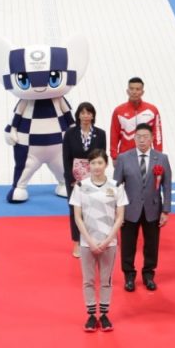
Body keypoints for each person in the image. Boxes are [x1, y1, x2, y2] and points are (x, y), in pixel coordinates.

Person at [70, 149, 127, 332]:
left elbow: (120, 217)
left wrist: (107, 239)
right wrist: (89, 241)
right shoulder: (80, 186)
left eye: (99, 163)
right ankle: (91, 316)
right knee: (88, 280)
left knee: (105, 280)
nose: (96, 167)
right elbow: (78, 217)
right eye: (93, 163)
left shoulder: (116, 185)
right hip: (87, 243)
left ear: (106, 164)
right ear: (89, 165)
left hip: (109, 243)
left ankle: (103, 314)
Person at [114, 123, 172, 292]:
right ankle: (129, 276)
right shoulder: (124, 158)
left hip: (153, 209)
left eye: (145, 136)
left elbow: (167, 186)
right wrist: (117, 212)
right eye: (138, 136)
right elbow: (116, 186)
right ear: (134, 137)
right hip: (128, 210)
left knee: (152, 244)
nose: (142, 140)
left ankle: (148, 275)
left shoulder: (161, 158)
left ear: (152, 138)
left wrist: (166, 211)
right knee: (128, 244)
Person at [63, 102, 107, 258]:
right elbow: (66, 158)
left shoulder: (100, 134)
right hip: (75, 178)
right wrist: (71, 179)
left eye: (89, 113)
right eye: (83, 113)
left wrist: (100, 177)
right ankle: (77, 241)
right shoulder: (70, 134)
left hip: (94, 176)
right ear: (78, 115)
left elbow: (102, 157)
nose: (86, 116)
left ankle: (94, 239)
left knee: (95, 207)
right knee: (76, 210)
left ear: (93, 115)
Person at [109, 77, 162, 162]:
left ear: (142, 92)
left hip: (147, 156)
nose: (134, 92)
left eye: (138, 89)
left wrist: (158, 155)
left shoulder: (152, 110)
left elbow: (157, 135)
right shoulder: (118, 111)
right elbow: (114, 135)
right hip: (125, 156)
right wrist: (114, 156)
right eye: (131, 89)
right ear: (127, 91)